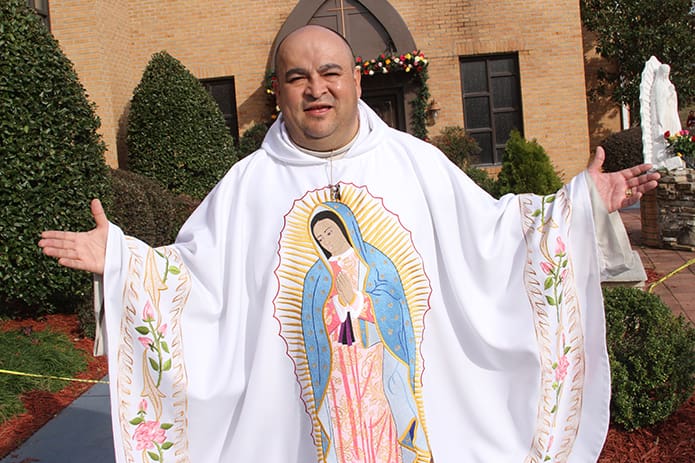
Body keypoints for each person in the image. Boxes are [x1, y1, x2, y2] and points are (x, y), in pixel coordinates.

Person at [40, 25, 659, 463]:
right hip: (318, 395)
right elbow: (194, 282)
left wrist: (579, 206)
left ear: (356, 81)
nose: (318, 89)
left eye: (331, 72)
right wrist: (121, 261)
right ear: (278, 92)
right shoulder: (247, 184)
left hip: (385, 375)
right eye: (298, 77)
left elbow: (496, 236)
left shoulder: (415, 163)